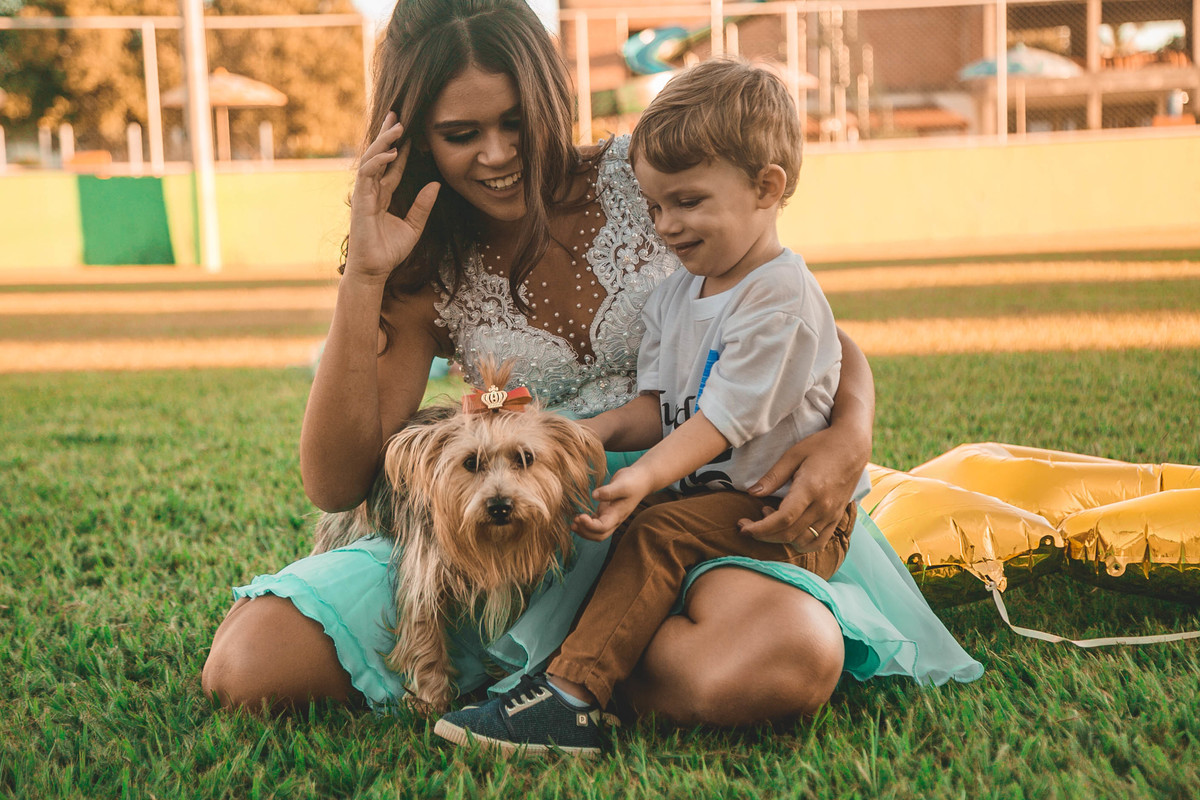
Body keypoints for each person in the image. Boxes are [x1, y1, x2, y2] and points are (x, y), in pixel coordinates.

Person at [201, 0, 980, 725]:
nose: (499, 155)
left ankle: (557, 676)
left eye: (515, 121)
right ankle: (546, 664)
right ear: (416, 138)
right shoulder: (425, 254)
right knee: (250, 662)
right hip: (510, 534)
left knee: (786, 659)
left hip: (693, 505)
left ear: (548, 95)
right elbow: (335, 482)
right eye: (461, 134)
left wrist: (854, 429)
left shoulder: (648, 179)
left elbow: (799, 324)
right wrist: (365, 278)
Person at [432, 60, 874, 756]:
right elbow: (657, 407)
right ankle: (584, 674)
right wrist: (587, 433)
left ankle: (573, 696)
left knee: (654, 532)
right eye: (655, 206)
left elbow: (722, 421)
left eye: (689, 202)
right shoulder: (678, 294)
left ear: (767, 187)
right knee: (653, 530)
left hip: (781, 507)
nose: (667, 225)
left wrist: (641, 478)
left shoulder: (778, 296)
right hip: (717, 498)